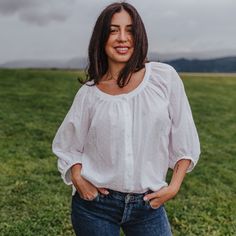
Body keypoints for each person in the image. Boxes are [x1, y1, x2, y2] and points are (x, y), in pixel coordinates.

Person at [52, 2, 201, 236]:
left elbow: (185, 135)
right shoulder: (90, 93)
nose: (122, 38)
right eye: (113, 30)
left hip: (148, 206)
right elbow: (68, 145)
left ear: (138, 36)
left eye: (129, 30)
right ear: (101, 38)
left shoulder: (164, 78)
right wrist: (78, 178)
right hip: (95, 208)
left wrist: (174, 186)